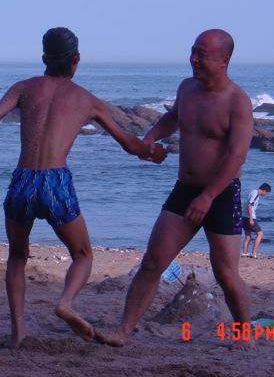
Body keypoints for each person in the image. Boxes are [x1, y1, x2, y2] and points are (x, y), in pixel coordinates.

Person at [0, 27, 167, 349]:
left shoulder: (23, 88)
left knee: (17, 256)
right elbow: (128, 144)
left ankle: (18, 334)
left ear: (43, 57)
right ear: (76, 60)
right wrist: (151, 151)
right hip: (55, 182)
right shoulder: (87, 100)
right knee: (83, 254)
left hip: (23, 180)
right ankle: (65, 302)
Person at [97, 29, 255, 348]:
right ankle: (123, 331)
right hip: (185, 190)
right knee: (153, 262)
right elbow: (173, 117)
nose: (193, 59)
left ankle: (244, 333)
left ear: (223, 60)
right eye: (193, 51)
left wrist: (208, 196)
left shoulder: (237, 102)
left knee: (226, 273)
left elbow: (237, 155)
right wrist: (149, 138)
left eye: (201, 54)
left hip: (221, 194)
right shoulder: (187, 88)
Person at [242, 183, 271, 258]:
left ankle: (244, 253)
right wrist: (251, 219)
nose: (266, 194)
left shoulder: (254, 193)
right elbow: (249, 205)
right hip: (249, 217)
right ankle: (254, 253)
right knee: (260, 234)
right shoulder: (255, 193)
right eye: (267, 193)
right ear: (264, 190)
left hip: (244, 216)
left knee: (248, 236)